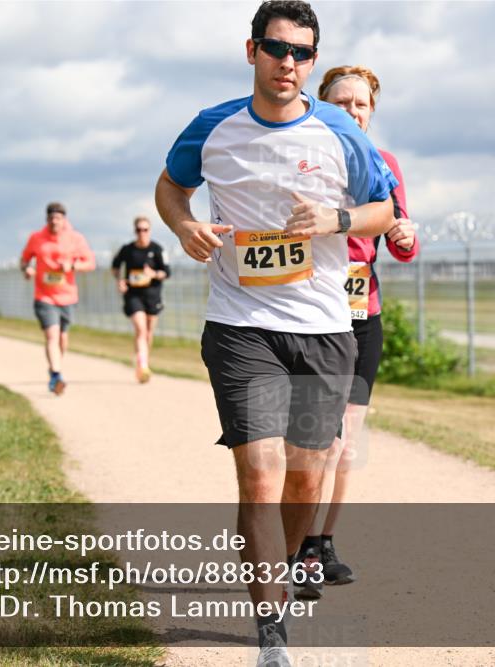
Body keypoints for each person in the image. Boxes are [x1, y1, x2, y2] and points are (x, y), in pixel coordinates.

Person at [154, 1, 397, 663]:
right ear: (252, 50)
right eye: (276, 48)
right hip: (241, 325)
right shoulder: (214, 127)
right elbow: (170, 186)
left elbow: (383, 210)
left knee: (304, 479)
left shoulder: (343, 134)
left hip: (323, 326)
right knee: (260, 477)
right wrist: (184, 225)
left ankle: (286, 564)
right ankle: (271, 632)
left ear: (312, 61)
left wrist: (335, 219)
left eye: (301, 53)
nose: (287, 62)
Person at [291, 65, 420, 601]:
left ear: (372, 111)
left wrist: (406, 234)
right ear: (321, 104)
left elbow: (401, 243)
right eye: (340, 101)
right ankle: (293, 547)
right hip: (306, 316)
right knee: (310, 444)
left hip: (361, 314)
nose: (351, 110)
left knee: (345, 445)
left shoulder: (384, 165)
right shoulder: (299, 160)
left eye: (361, 104)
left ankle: (320, 544)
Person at [20, 202, 96, 395]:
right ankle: (56, 375)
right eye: (52, 218)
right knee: (52, 335)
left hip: (68, 296)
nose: (55, 221)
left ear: (64, 220)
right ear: (47, 220)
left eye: (59, 218)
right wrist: (27, 269)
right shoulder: (36, 238)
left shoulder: (75, 238)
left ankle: (55, 367)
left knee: (62, 340)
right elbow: (24, 259)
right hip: (44, 296)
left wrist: (72, 266)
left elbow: (90, 263)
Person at [111, 216, 171, 383]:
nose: (142, 233)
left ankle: (144, 362)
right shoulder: (127, 250)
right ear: (134, 231)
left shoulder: (158, 249)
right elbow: (115, 267)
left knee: (149, 332)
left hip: (153, 295)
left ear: (149, 230)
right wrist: (119, 280)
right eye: (139, 230)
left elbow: (166, 272)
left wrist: (154, 274)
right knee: (141, 329)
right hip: (133, 295)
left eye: (145, 229)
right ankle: (142, 364)